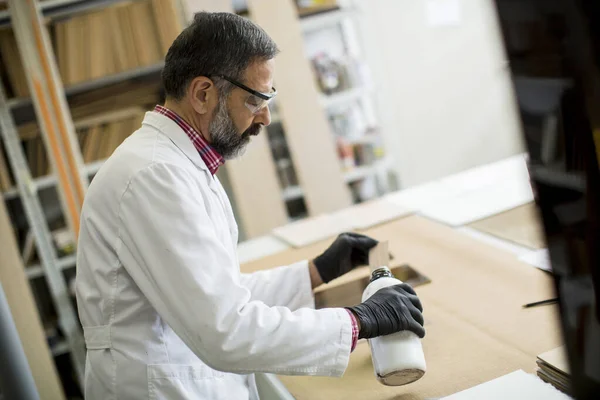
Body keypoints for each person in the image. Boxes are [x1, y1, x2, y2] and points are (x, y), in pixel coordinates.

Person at [75, 11, 425, 400]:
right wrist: (360, 321)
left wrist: (315, 271)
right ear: (203, 94)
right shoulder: (155, 176)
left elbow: (217, 292)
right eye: (256, 99)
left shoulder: (177, 165)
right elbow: (225, 330)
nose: (266, 116)